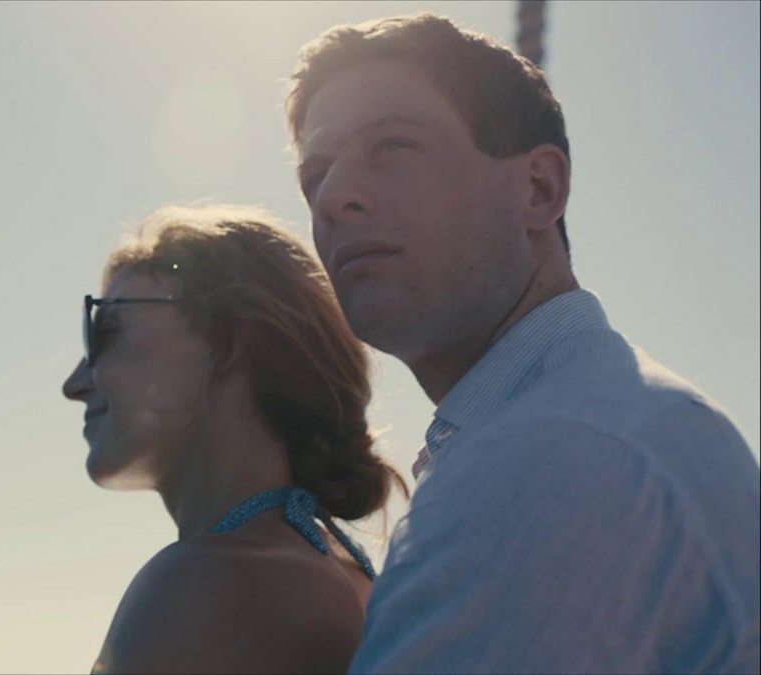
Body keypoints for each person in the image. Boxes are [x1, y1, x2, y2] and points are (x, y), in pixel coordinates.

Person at [286, 13, 760, 674]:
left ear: (539, 190)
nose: (334, 197)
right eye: (316, 175)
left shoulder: (554, 455)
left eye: (392, 147)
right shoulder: (604, 422)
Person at [62, 205, 406, 674]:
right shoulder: (342, 573)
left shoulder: (207, 581)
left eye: (106, 331)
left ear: (226, 343)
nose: (74, 384)